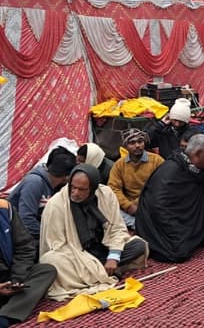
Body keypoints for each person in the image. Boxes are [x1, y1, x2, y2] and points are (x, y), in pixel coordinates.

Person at [39, 164, 148, 301]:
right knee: (50, 260)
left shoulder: (105, 194)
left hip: (103, 248)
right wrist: (87, 262)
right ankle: (106, 272)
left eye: (82, 189)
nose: (75, 193)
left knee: (139, 245)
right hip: (76, 256)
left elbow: (117, 228)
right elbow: (57, 245)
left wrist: (113, 256)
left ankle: (103, 270)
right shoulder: (56, 204)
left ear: (93, 189)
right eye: (73, 187)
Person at [135, 134, 204, 263]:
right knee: (179, 251)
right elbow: (157, 206)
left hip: (186, 220)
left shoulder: (195, 170)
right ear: (198, 153)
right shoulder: (171, 171)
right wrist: (178, 229)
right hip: (162, 225)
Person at [0, 199, 57, 328]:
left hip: (8, 274)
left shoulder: (5, 208)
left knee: (46, 270)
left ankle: (7, 315)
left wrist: (16, 280)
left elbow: (24, 246)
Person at [8, 146, 76, 240]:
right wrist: (52, 236)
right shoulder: (34, 182)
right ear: (66, 177)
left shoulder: (55, 187)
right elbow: (26, 220)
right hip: (14, 234)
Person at [108, 129, 165, 229]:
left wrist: (139, 204)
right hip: (129, 209)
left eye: (140, 141)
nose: (137, 145)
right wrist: (128, 206)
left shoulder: (157, 161)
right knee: (108, 210)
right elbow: (114, 188)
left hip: (151, 205)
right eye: (132, 143)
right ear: (125, 146)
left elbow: (162, 186)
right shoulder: (119, 165)